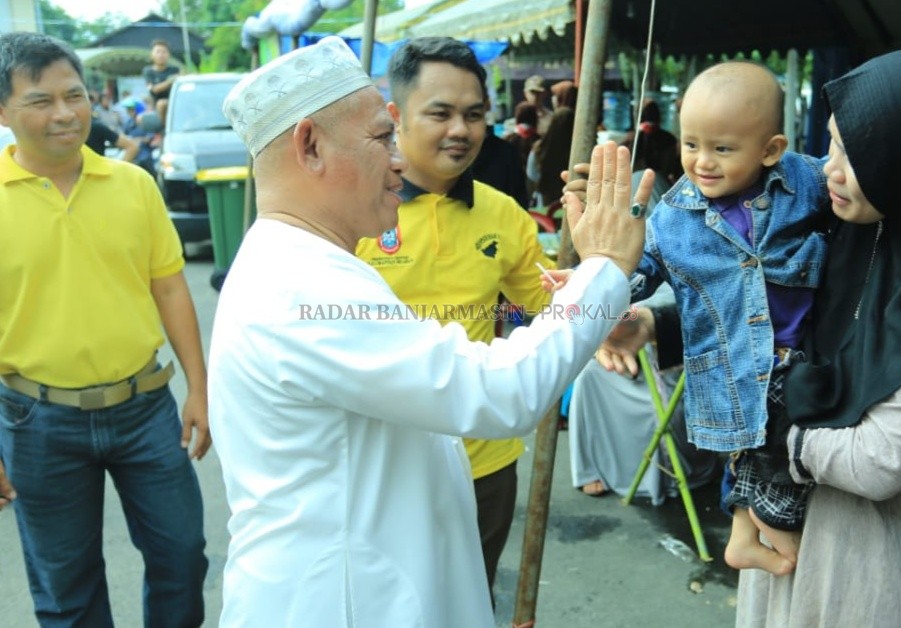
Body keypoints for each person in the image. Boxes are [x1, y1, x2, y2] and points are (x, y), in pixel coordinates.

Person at [209, 35, 650, 627]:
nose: (398, 159)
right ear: (309, 146)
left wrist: (602, 309)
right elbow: (500, 391)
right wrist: (605, 269)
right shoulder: (302, 286)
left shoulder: (308, 263)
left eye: (473, 114)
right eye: (381, 138)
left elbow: (528, 308)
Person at [567, 61, 830, 576]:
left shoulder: (806, 181)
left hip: (802, 361)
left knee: (776, 458)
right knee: (759, 454)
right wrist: (592, 277)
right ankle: (757, 539)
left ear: (771, 150)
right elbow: (635, 270)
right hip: (732, 369)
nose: (702, 162)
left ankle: (747, 538)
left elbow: (854, 192)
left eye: (722, 149)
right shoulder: (672, 216)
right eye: (691, 144)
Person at [0, 32, 210, 626]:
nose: (65, 113)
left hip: (145, 409)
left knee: (182, 556)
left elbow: (170, 288)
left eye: (75, 95)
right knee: (67, 590)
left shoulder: (133, 184)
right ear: (3, 112)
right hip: (36, 420)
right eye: (41, 101)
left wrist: (198, 387)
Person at [733, 47, 901, 628]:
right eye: (831, 143)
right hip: (781, 547)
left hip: (870, 561)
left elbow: (879, 461)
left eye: (858, 154)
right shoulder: (848, 229)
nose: (830, 169)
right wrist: (647, 323)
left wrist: (770, 428)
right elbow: (761, 295)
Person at [355, 37, 554, 603]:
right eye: (440, 113)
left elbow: (546, 306)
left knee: (470, 601)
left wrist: (599, 287)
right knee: (388, 607)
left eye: (473, 115)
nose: (460, 130)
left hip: (483, 462)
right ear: (395, 116)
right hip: (384, 465)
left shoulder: (502, 212)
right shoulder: (355, 211)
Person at [527, 105, 575, 207]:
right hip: (573, 204)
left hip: (546, 208)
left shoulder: (538, 150)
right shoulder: (578, 151)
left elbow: (532, 178)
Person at [143, 39, 179, 126]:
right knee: (161, 104)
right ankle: (165, 130)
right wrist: (170, 81)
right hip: (157, 107)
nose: (161, 55)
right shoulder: (148, 72)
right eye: (158, 52)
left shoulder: (175, 70)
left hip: (176, 104)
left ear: (168, 55)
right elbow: (154, 89)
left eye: (164, 52)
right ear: (152, 55)